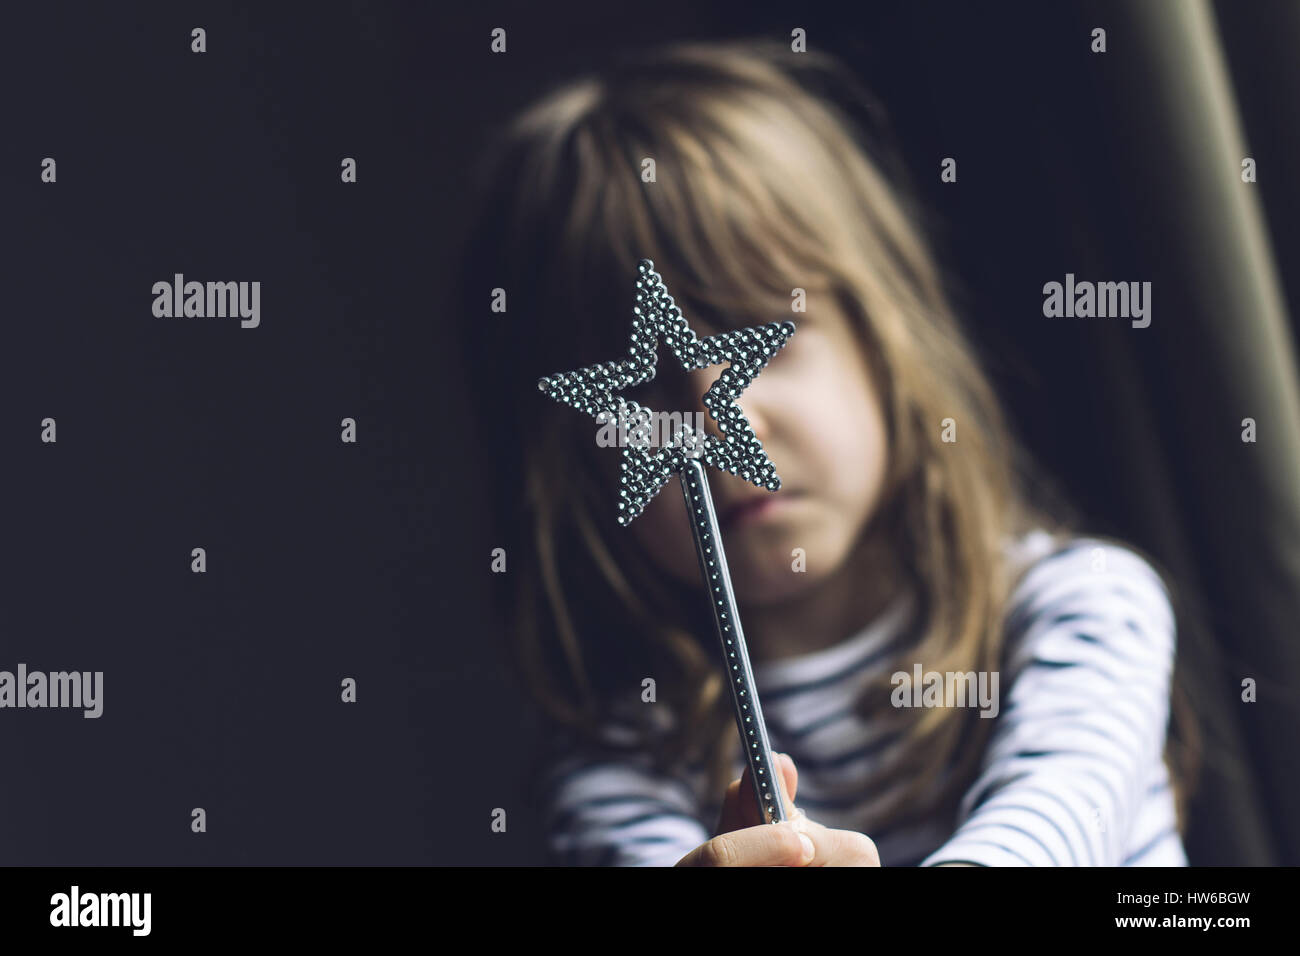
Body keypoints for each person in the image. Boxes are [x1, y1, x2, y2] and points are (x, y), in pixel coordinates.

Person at [456, 38, 1197, 866]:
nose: (714, 419)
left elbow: (1052, 829)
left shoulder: (1084, 608)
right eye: (649, 388)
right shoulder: (623, 757)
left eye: (762, 338)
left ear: (883, 339)